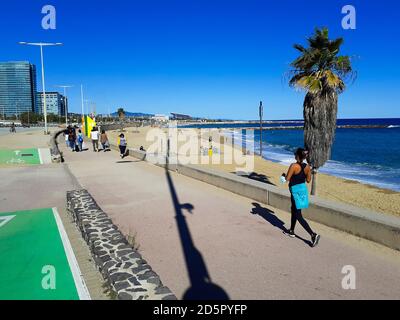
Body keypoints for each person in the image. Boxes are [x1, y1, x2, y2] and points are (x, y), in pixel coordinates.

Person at [282, 148, 320, 247]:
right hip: (302, 191)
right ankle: (291, 231)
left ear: (298, 156)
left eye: (295, 154)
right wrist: (308, 172)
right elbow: (308, 180)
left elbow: (287, 179)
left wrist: (283, 176)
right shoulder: (307, 167)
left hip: (295, 192)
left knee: (298, 214)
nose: (294, 155)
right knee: (294, 209)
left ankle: (313, 235)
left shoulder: (293, 166)